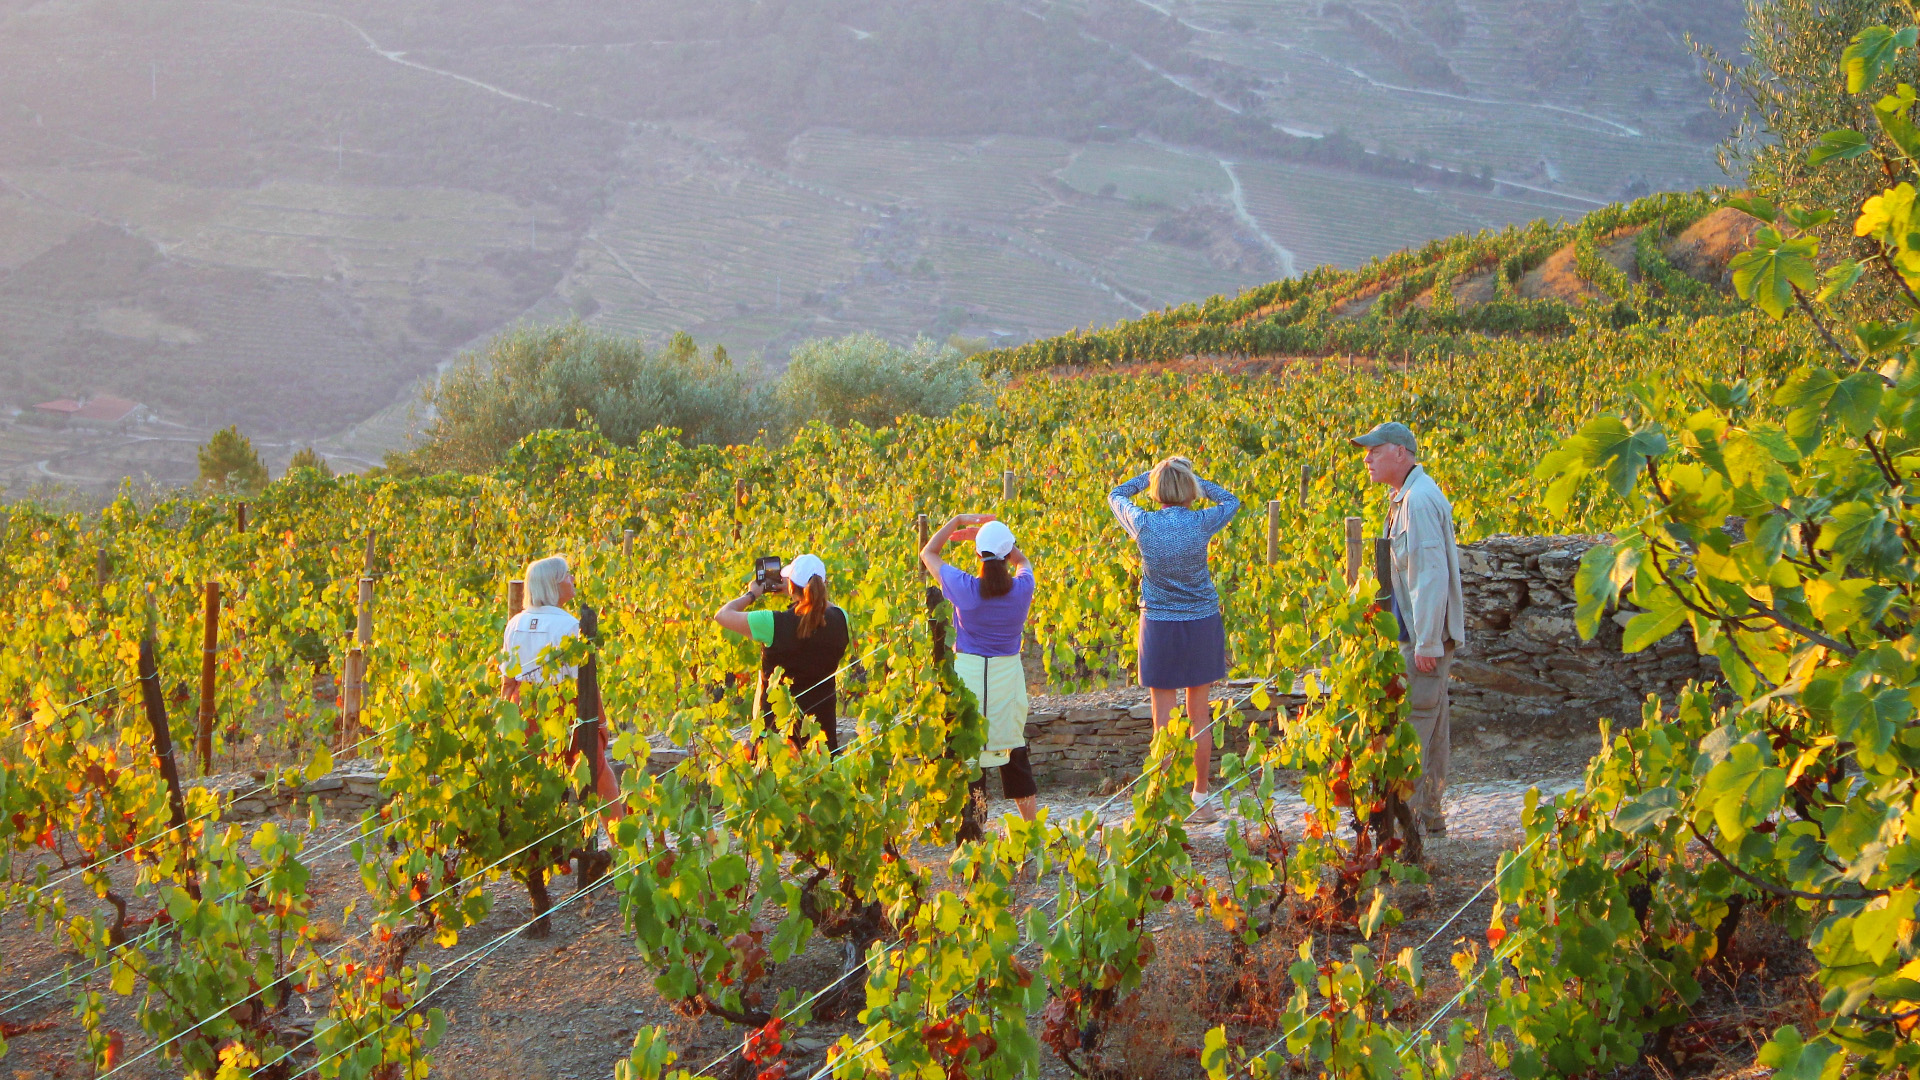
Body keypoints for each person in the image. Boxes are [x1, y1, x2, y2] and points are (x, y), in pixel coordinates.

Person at [1108, 456, 1240, 822]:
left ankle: (1163, 798)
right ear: (1190, 491)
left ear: (1157, 490)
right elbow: (1231, 501)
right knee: (1200, 715)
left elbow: (1116, 493)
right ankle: (1200, 798)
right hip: (1201, 623)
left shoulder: (1144, 524)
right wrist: (1196, 478)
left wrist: (1147, 475)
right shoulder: (1202, 521)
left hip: (1159, 627)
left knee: (1161, 720)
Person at [1350, 421, 1464, 836]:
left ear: (1401, 453)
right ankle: (1429, 819)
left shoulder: (1417, 501)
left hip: (1421, 637)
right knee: (1433, 726)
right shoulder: (1406, 497)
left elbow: (1429, 576)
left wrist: (1429, 641)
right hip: (1415, 635)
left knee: (1415, 728)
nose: (1367, 459)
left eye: (1374, 451)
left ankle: (1406, 828)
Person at [918, 513, 1039, 822]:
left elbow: (928, 553)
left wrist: (959, 521)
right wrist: (1003, 545)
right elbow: (1024, 562)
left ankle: (973, 838)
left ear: (977, 554)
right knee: (1014, 757)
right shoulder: (1022, 589)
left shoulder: (965, 589)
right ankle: (1030, 837)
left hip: (969, 683)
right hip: (1006, 684)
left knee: (970, 760)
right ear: (1008, 553)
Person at [501, 554, 622, 821]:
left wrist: (506, 725)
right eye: (567, 575)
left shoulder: (514, 624)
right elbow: (586, 683)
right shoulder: (570, 626)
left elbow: (508, 683)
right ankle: (620, 846)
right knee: (600, 777)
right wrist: (600, 724)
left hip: (523, 713)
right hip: (563, 709)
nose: (572, 579)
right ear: (554, 584)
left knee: (533, 783)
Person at [713, 553, 850, 752]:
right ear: (824, 584)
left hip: (777, 742)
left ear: (792, 586)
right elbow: (823, 606)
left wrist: (752, 594)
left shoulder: (772, 623)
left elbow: (722, 615)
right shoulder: (841, 619)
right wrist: (797, 591)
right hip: (820, 742)